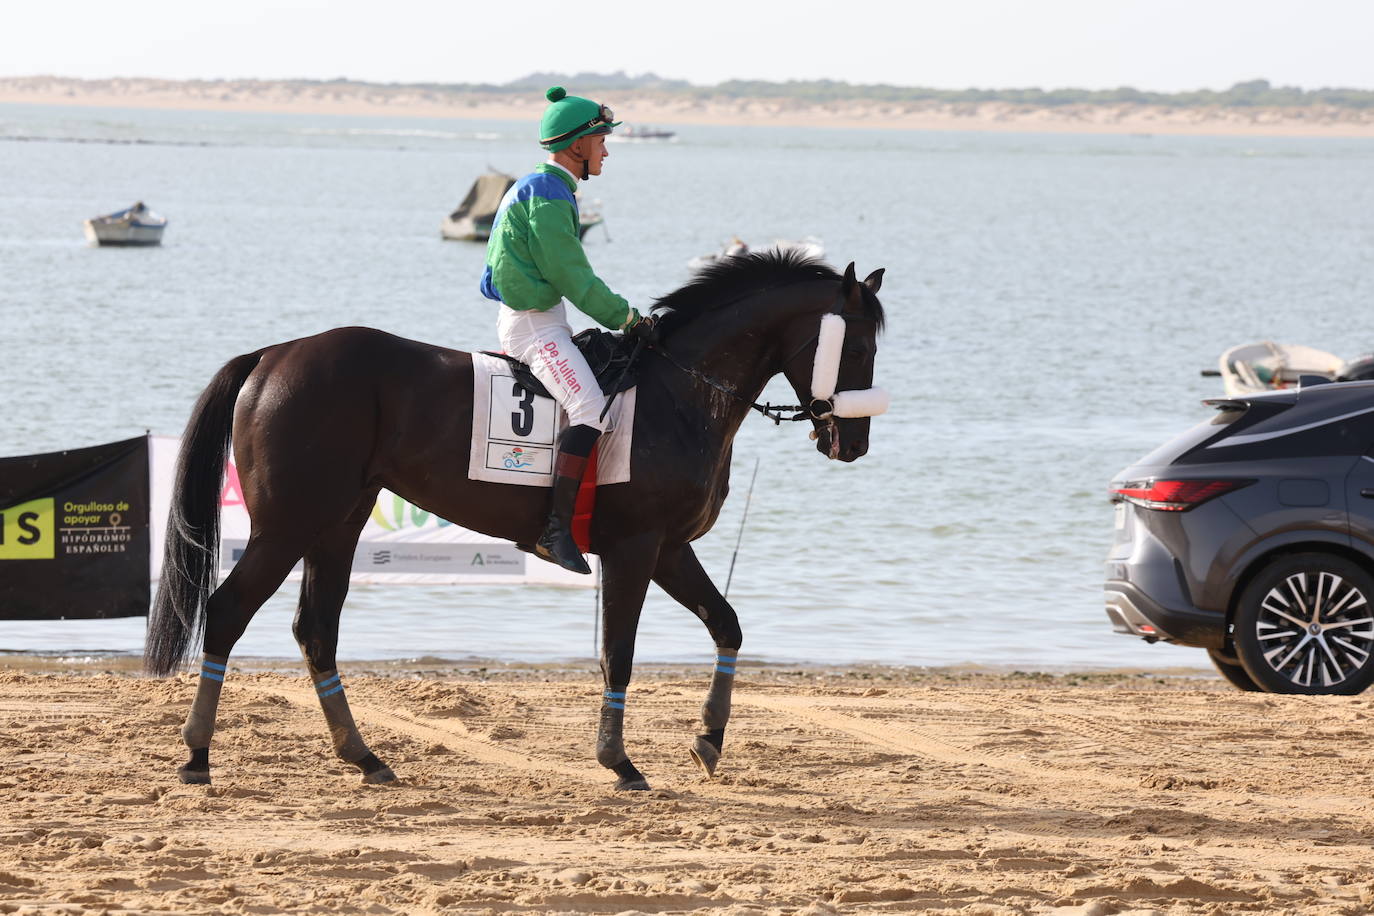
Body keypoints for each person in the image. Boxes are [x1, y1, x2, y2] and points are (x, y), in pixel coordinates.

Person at [480, 86, 658, 575]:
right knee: (588, 408)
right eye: (601, 140)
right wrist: (629, 319)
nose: (606, 149)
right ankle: (553, 532)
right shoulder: (549, 192)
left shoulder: (543, 188)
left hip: (541, 319)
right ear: (577, 144)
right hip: (535, 327)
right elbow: (572, 276)